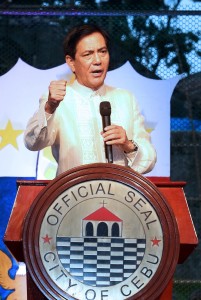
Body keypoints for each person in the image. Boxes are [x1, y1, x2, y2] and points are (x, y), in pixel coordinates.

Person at [24, 24, 156, 176]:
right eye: (88, 54)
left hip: (119, 196)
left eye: (102, 52)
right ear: (71, 62)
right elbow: (32, 143)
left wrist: (127, 144)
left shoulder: (126, 99)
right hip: (72, 196)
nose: (98, 60)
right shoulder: (58, 100)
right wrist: (49, 107)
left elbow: (150, 159)